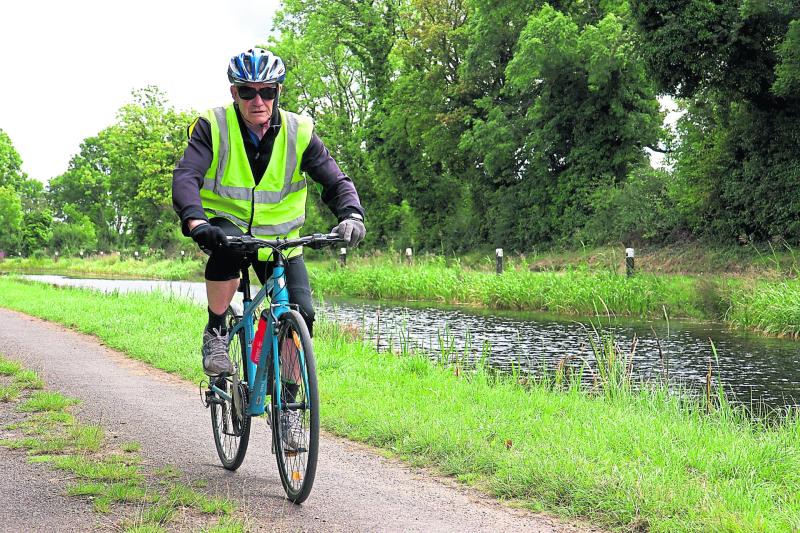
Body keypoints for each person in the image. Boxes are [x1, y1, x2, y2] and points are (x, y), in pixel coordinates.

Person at [172, 47, 365, 377]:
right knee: (226, 248)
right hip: (226, 224)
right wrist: (196, 221)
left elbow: (334, 179)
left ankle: (289, 400)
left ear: (279, 91)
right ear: (234, 92)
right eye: (247, 91)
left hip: (282, 237)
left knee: (301, 313)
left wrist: (352, 215)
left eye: (267, 91)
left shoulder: (299, 131)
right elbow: (187, 175)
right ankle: (216, 331)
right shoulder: (213, 126)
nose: (257, 100)